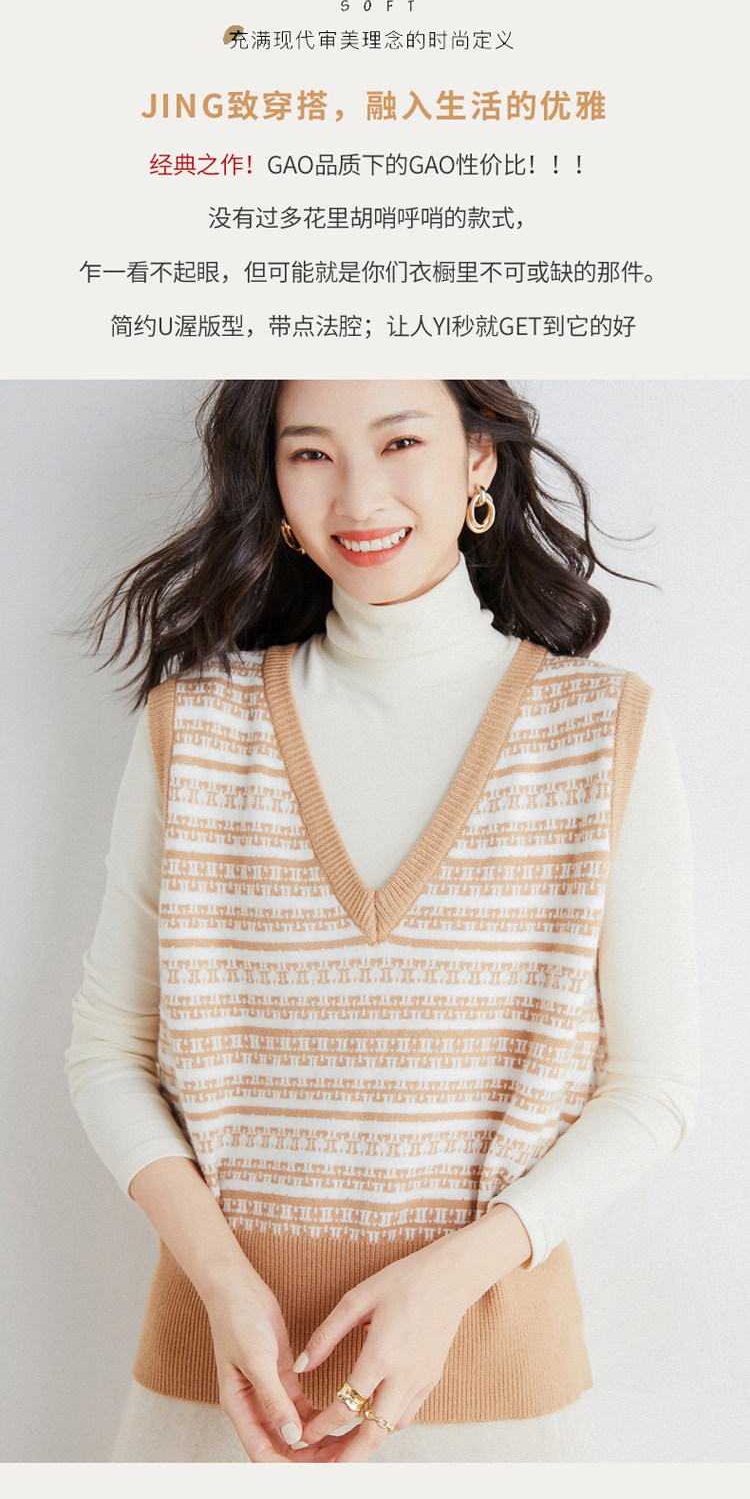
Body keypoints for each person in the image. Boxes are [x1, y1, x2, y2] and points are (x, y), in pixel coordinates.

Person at [65, 378, 699, 1464]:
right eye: (310, 453)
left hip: (494, 1401)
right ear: (272, 483)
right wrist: (224, 1284)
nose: (358, 495)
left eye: (400, 440)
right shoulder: (194, 729)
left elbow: (653, 1088)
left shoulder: (600, 733)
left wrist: (449, 1282)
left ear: (479, 460)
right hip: (227, 1392)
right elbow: (105, 1051)